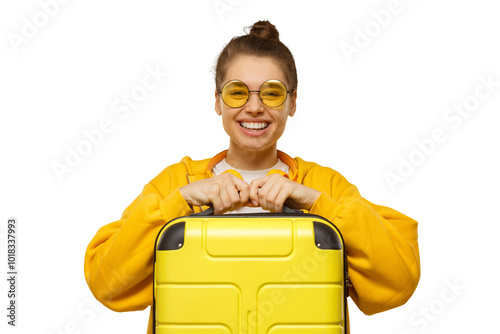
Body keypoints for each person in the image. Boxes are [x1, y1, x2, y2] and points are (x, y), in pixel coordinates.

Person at [84, 20, 420, 333]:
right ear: (218, 101)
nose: (255, 107)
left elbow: (398, 282)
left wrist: (315, 202)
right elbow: (106, 283)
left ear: (292, 103)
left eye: (272, 92)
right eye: (237, 92)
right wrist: (182, 201)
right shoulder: (177, 181)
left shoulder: (325, 186)